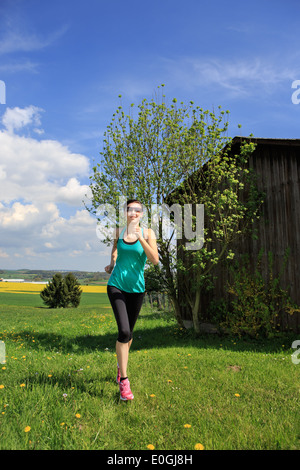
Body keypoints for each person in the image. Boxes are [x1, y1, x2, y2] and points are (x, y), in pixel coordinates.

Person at [104, 199, 159, 400]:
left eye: (137, 210)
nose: (133, 213)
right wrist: (111, 263)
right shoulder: (118, 231)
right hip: (116, 285)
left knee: (130, 335)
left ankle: (121, 366)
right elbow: (115, 249)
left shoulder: (148, 234)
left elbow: (154, 260)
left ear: (142, 215)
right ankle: (124, 382)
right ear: (125, 213)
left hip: (137, 289)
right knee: (124, 331)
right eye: (129, 210)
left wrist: (140, 238)